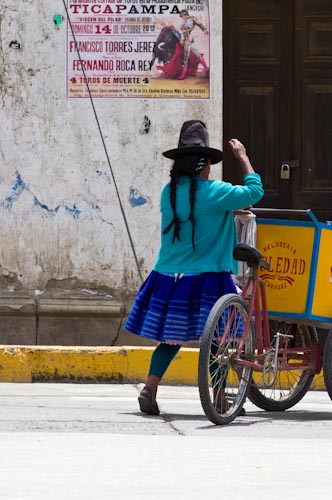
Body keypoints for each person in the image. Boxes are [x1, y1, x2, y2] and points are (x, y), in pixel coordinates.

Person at [123, 120, 264, 416]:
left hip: (169, 277)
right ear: (205, 164)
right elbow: (255, 191)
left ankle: (150, 387)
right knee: (219, 340)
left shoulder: (168, 193)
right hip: (208, 279)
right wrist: (243, 157)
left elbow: (194, 215)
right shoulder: (215, 192)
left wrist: (227, 212)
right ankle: (218, 396)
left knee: (170, 339)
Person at [176, 10, 209, 79]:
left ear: (186, 14)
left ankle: (183, 75)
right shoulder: (182, 22)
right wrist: (182, 40)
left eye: (184, 15)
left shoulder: (192, 18)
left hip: (188, 40)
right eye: (182, 16)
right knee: (196, 55)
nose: (183, 17)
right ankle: (206, 69)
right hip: (186, 40)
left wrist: (204, 29)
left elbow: (199, 23)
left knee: (186, 57)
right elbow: (182, 33)